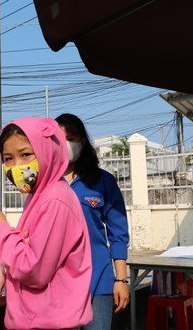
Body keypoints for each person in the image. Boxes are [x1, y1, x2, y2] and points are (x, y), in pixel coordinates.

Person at [0, 117, 93, 329]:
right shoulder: (39, 195)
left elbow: (34, 270)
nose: (16, 166)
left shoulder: (55, 199)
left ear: (47, 151)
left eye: (26, 155)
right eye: (8, 158)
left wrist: (1, 228)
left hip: (48, 323)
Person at [55, 113, 130, 330]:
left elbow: (118, 233)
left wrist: (121, 280)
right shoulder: (45, 183)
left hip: (98, 283)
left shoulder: (102, 181)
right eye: (60, 139)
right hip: (57, 285)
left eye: (72, 138)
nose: (67, 144)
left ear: (82, 141)